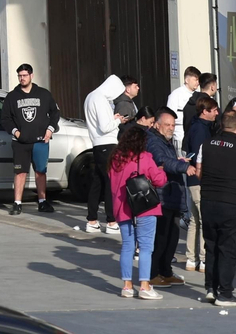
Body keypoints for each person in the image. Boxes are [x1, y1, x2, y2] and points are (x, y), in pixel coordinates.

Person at [194, 111, 236, 306]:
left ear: (221, 125)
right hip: (234, 203)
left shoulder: (206, 144)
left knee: (211, 245)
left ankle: (211, 288)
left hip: (208, 201)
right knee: (228, 248)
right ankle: (225, 293)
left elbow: (198, 173)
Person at [109, 122, 168, 300]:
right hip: (144, 207)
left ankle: (127, 286)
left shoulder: (115, 159)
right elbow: (159, 180)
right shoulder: (145, 158)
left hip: (122, 207)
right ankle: (144, 286)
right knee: (145, 247)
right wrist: (161, 171)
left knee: (127, 246)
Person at [0, 63, 60, 216]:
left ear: (31, 75)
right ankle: (17, 203)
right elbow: (5, 118)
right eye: (19, 76)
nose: (22, 78)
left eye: (25, 75)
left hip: (40, 141)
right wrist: (16, 132)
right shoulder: (12, 97)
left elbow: (55, 113)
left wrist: (50, 130)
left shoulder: (44, 94)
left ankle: (42, 201)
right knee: (20, 172)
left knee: (41, 171)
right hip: (20, 143)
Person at [144, 109, 190, 286]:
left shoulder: (165, 140)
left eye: (173, 125)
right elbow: (161, 161)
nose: (171, 128)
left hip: (172, 194)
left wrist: (178, 161)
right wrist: (182, 166)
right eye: (167, 125)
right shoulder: (153, 141)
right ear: (157, 125)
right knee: (161, 237)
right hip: (162, 195)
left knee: (172, 236)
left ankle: (165, 270)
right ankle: (152, 273)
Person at [82, 73, 126, 232]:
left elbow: (99, 122)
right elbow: (105, 127)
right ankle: (111, 221)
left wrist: (112, 118)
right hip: (107, 144)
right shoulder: (100, 98)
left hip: (97, 145)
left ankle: (92, 220)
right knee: (110, 182)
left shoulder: (91, 96)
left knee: (97, 182)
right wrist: (118, 120)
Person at [181, 95, 219, 271]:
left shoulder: (196, 126)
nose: (216, 113)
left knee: (195, 220)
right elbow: (198, 156)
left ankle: (191, 258)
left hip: (193, 179)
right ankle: (203, 258)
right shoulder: (200, 129)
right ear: (205, 111)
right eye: (214, 110)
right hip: (199, 179)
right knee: (203, 219)